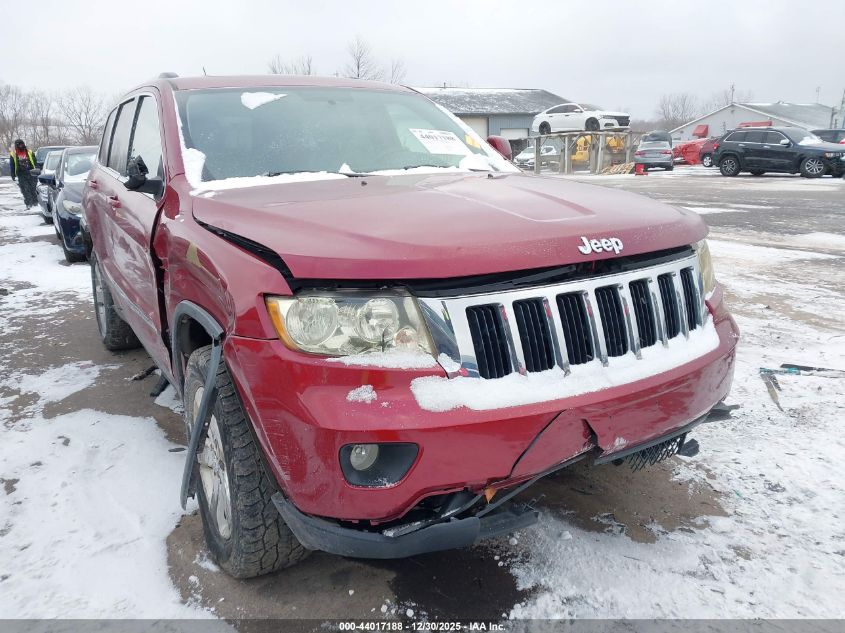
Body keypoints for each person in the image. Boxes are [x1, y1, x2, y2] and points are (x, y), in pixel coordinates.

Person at [9, 139, 39, 209]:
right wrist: (13, 174)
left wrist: (37, 169)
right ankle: (29, 204)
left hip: (31, 172)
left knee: (33, 189)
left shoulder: (29, 151)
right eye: (19, 144)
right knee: (25, 189)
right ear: (16, 145)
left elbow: (35, 161)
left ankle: (35, 203)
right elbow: (12, 165)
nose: (21, 146)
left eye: (21, 144)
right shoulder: (13, 153)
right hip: (21, 174)